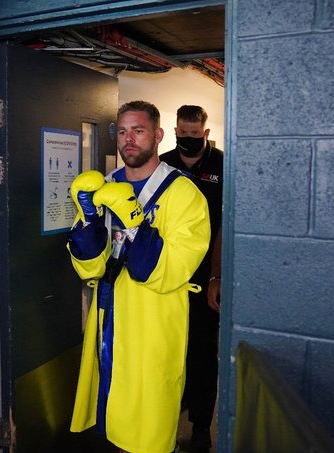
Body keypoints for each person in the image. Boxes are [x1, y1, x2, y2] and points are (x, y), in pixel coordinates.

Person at [67, 100, 211, 453]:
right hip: (108, 314)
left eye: (138, 130)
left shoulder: (184, 193)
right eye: (122, 131)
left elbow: (170, 269)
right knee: (110, 407)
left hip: (153, 318)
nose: (128, 139)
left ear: (158, 136)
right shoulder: (105, 186)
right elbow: (89, 267)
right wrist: (89, 220)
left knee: (149, 419)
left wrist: (134, 221)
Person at [160, 105, 223, 453]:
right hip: (167, 276)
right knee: (167, 350)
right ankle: (166, 420)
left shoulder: (222, 165)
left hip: (205, 277)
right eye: (182, 134)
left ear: (206, 133)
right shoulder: (163, 165)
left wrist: (216, 276)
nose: (187, 140)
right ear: (174, 132)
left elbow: (224, 225)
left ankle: (200, 426)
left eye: (194, 135)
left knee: (202, 351)